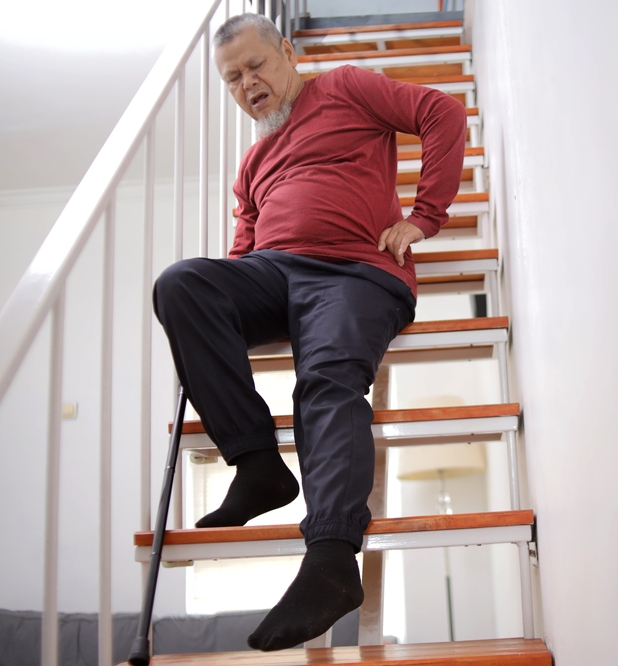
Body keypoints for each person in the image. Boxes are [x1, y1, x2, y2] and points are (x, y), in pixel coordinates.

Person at [152, 13, 466, 651]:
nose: (248, 84)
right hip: (274, 273)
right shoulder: (251, 163)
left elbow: (442, 112)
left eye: (257, 65)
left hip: (353, 271)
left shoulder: (346, 87)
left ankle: (330, 557)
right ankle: (258, 464)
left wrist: (423, 216)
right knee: (182, 284)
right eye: (233, 78)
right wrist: (215, 318)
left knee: (325, 379)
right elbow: (243, 253)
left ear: (288, 53)